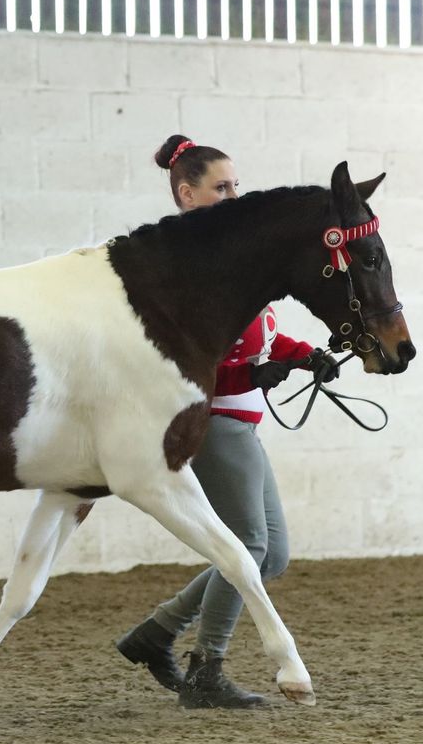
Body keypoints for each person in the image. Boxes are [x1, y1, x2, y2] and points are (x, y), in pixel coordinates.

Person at [115, 135, 338, 709]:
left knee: (273, 553)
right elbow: (198, 359)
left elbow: (255, 335)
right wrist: (250, 379)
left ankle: (158, 631)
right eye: (222, 187)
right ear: (188, 195)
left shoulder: (231, 255)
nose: (235, 194)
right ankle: (206, 667)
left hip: (242, 418)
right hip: (215, 421)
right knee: (249, 544)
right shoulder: (187, 267)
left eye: (236, 184)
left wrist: (299, 352)